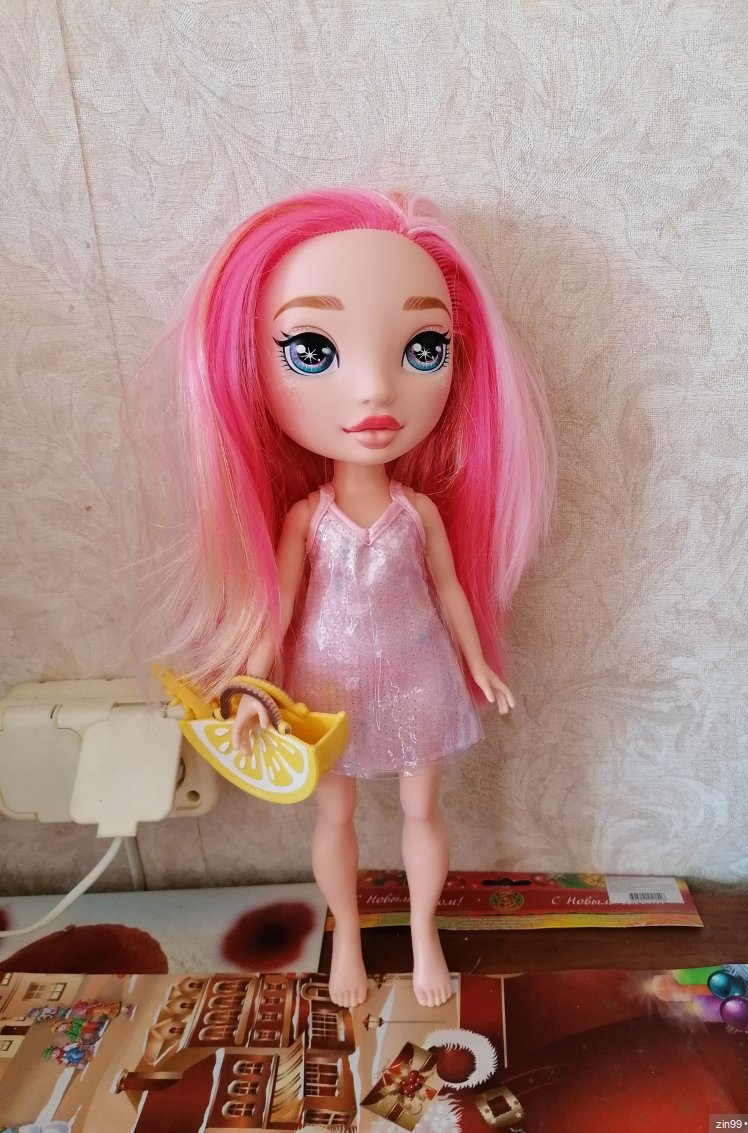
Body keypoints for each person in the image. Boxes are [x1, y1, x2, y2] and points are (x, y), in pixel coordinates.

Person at [144, 188, 555, 1008]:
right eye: (312, 350)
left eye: (423, 347)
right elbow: (276, 608)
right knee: (333, 817)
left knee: (422, 811)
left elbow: (449, 587)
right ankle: (349, 944)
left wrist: (479, 661)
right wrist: (253, 687)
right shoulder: (306, 518)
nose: (373, 390)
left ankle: (426, 934)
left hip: (417, 676)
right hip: (322, 688)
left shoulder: (418, 512)